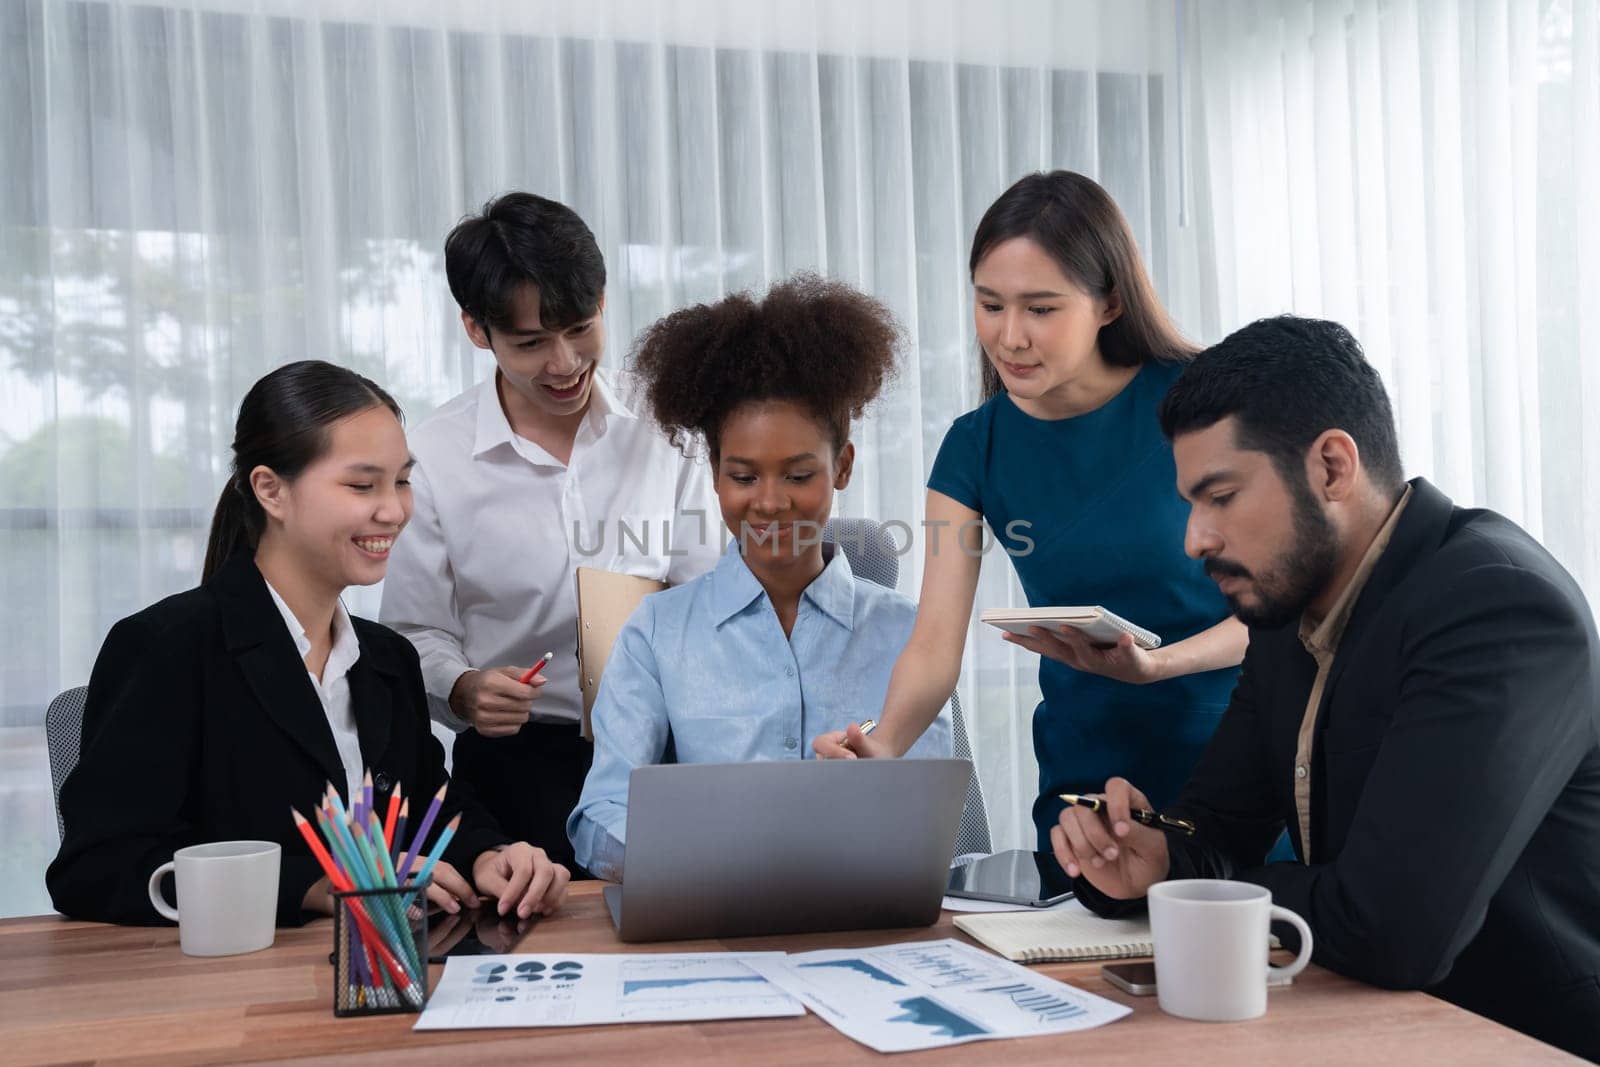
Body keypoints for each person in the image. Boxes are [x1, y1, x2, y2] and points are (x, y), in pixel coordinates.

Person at [1053, 316, 1600, 1060]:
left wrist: (1206, 895)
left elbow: (1392, 929)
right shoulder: (1286, 614)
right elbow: (1216, 821)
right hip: (1364, 1026)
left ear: (1332, 467)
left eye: (1221, 495)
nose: (1194, 538)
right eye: (1190, 502)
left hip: (1517, 1040)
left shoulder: (1496, 606)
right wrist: (1152, 861)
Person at [47, 361, 571, 927]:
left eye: (401, 481)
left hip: (376, 976)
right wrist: (317, 885)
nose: (394, 511)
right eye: (361, 485)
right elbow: (98, 867)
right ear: (270, 489)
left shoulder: (387, 659)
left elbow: (427, 806)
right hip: (231, 987)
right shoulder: (165, 648)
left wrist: (490, 855)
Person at [816, 171, 1248, 852]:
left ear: (1109, 303)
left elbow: (1281, 620)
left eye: (1040, 309)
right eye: (990, 304)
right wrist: (882, 744)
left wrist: (1159, 667)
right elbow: (933, 644)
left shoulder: (1203, 399)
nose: (1009, 336)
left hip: (1239, 768)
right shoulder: (973, 447)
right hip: (1088, 791)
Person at [567, 275, 953, 881]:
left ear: (842, 466)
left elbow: (936, 824)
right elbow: (600, 817)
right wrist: (708, 858)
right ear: (715, 474)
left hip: (868, 925)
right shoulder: (658, 633)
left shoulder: (912, 636)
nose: (769, 504)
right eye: (744, 477)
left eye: (799, 476)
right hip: (712, 921)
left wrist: (872, 800)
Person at [379, 193, 719, 872]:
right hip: (516, 765)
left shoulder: (671, 426)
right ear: (477, 331)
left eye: (579, 328)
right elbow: (413, 634)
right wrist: (463, 687)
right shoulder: (434, 457)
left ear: (600, 297)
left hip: (668, 752)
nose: (563, 363)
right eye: (530, 344)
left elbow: (709, 595)